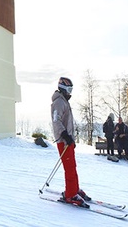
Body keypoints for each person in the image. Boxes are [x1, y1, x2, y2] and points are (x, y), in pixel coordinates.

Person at [51, 77, 90, 207]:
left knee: (72, 166)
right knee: (69, 167)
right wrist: (65, 135)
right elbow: (56, 121)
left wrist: (71, 138)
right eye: (69, 89)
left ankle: (74, 189)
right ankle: (70, 195)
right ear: (63, 88)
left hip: (68, 140)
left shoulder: (64, 102)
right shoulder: (58, 102)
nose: (70, 92)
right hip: (63, 140)